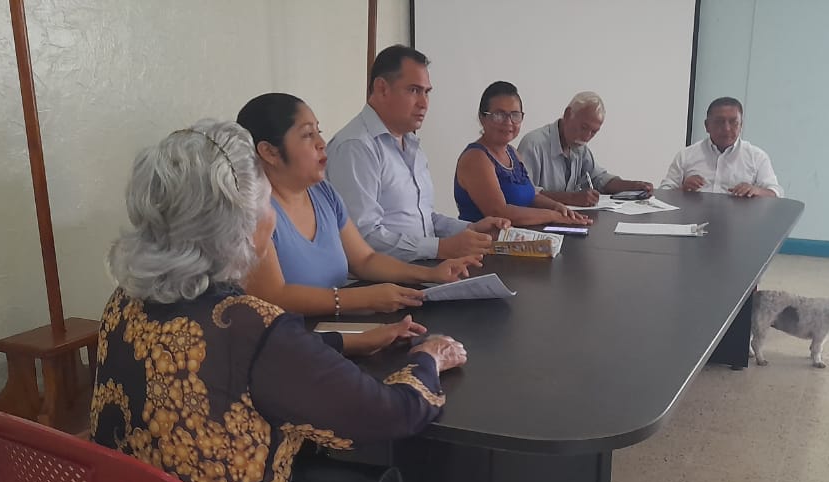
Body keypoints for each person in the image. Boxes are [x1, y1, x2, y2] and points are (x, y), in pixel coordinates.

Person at [94, 119, 470, 482]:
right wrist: (428, 359)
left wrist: (348, 343)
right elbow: (390, 415)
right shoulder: (251, 325)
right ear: (239, 223)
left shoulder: (123, 302)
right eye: (265, 201)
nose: (271, 217)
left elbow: (237, 363)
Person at [237, 93, 482, 316]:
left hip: (337, 327)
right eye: (308, 135)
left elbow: (365, 259)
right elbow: (273, 297)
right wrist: (363, 298)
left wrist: (430, 274)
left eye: (318, 132)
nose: (322, 143)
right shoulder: (251, 212)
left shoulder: (323, 193)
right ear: (269, 152)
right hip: (290, 340)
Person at [328, 45, 510, 262]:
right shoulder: (356, 147)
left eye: (427, 92)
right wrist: (440, 248)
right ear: (382, 88)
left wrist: (470, 229)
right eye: (414, 90)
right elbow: (362, 237)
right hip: (383, 277)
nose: (424, 103)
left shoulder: (410, 143)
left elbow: (423, 219)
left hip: (423, 268)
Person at [454, 81, 594, 226]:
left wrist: (557, 207)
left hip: (518, 236)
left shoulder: (512, 152)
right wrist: (552, 215)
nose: (508, 122)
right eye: (499, 115)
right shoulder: (476, 158)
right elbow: (499, 212)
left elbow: (530, 197)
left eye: (515, 115)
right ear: (482, 118)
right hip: (484, 239)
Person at [516, 91, 653, 207]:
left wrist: (634, 186)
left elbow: (599, 179)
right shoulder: (533, 144)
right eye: (584, 127)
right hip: (538, 224)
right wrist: (571, 198)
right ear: (568, 114)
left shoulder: (580, 148)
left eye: (594, 132)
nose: (587, 137)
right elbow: (523, 194)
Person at [660, 96, 784, 198]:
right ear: (707, 126)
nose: (727, 128)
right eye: (719, 122)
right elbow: (663, 192)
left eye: (733, 122)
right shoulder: (686, 155)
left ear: (741, 125)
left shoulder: (756, 157)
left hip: (740, 220)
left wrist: (756, 190)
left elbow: (776, 192)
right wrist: (683, 189)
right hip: (693, 219)